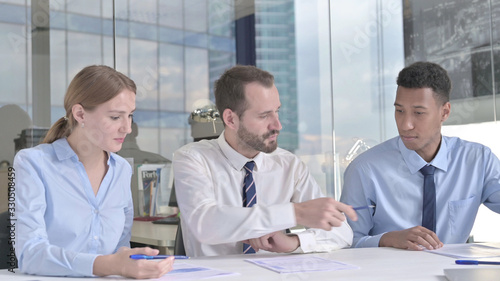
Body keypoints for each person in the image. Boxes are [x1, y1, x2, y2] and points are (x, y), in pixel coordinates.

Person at [173, 65, 357, 257]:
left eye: (277, 111)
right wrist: (295, 213)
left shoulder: (289, 165)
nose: (278, 125)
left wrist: (294, 242)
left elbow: (341, 234)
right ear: (231, 119)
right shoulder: (192, 158)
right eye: (264, 115)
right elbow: (205, 224)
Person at [14, 65, 174, 278]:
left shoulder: (122, 170)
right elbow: (30, 255)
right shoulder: (33, 163)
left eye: (130, 116)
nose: (127, 128)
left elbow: (120, 248)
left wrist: (136, 262)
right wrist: (110, 265)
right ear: (80, 114)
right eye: (116, 117)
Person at [340, 61, 500, 250]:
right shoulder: (364, 170)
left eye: (418, 112)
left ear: (445, 112)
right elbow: (346, 243)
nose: (406, 124)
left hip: (452, 273)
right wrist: (387, 239)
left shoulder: (478, 160)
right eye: (399, 111)